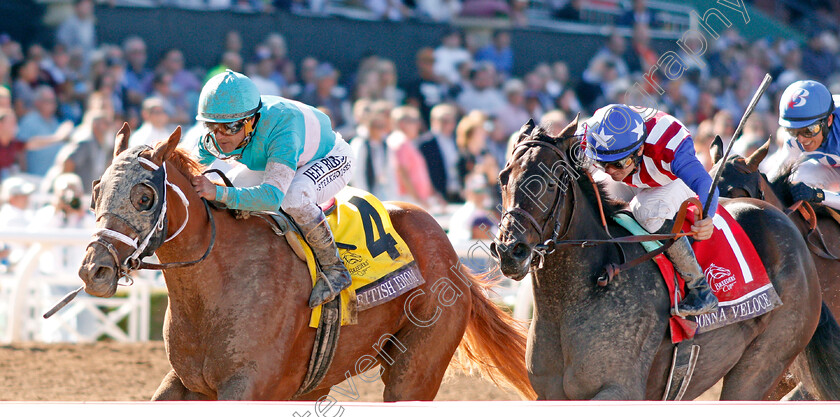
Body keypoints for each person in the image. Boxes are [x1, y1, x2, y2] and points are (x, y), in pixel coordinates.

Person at [190, 70, 355, 308]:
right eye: (212, 126)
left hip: (327, 156)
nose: (220, 136)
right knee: (230, 186)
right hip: (275, 157)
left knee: (293, 198)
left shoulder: (283, 128)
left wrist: (218, 193)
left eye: (230, 127)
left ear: (252, 120)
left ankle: (334, 269)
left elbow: (271, 197)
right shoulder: (214, 134)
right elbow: (187, 169)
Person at [580, 104, 719, 316]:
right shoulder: (592, 135)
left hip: (669, 179)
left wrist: (708, 216)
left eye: (618, 163)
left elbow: (705, 183)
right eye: (602, 163)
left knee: (644, 211)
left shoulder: (670, 147)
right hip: (636, 174)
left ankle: (699, 287)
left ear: (640, 149)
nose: (610, 171)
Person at [775, 80, 840, 210]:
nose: (802, 139)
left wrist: (819, 195)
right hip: (832, 167)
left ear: (828, 120)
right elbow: (778, 175)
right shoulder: (798, 126)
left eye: (809, 130)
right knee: (798, 177)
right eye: (792, 130)